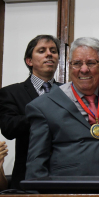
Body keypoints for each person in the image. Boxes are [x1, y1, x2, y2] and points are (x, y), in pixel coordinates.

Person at [25, 37, 99, 179]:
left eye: (91, 63)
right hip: (66, 189)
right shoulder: (43, 106)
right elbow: (36, 165)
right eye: (77, 63)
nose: (84, 69)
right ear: (69, 66)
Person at [0, 35, 61, 189]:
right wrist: (44, 114)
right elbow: (9, 128)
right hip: (27, 176)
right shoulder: (11, 92)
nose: (49, 54)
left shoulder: (69, 91)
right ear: (29, 61)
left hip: (64, 175)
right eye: (42, 51)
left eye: (53, 51)